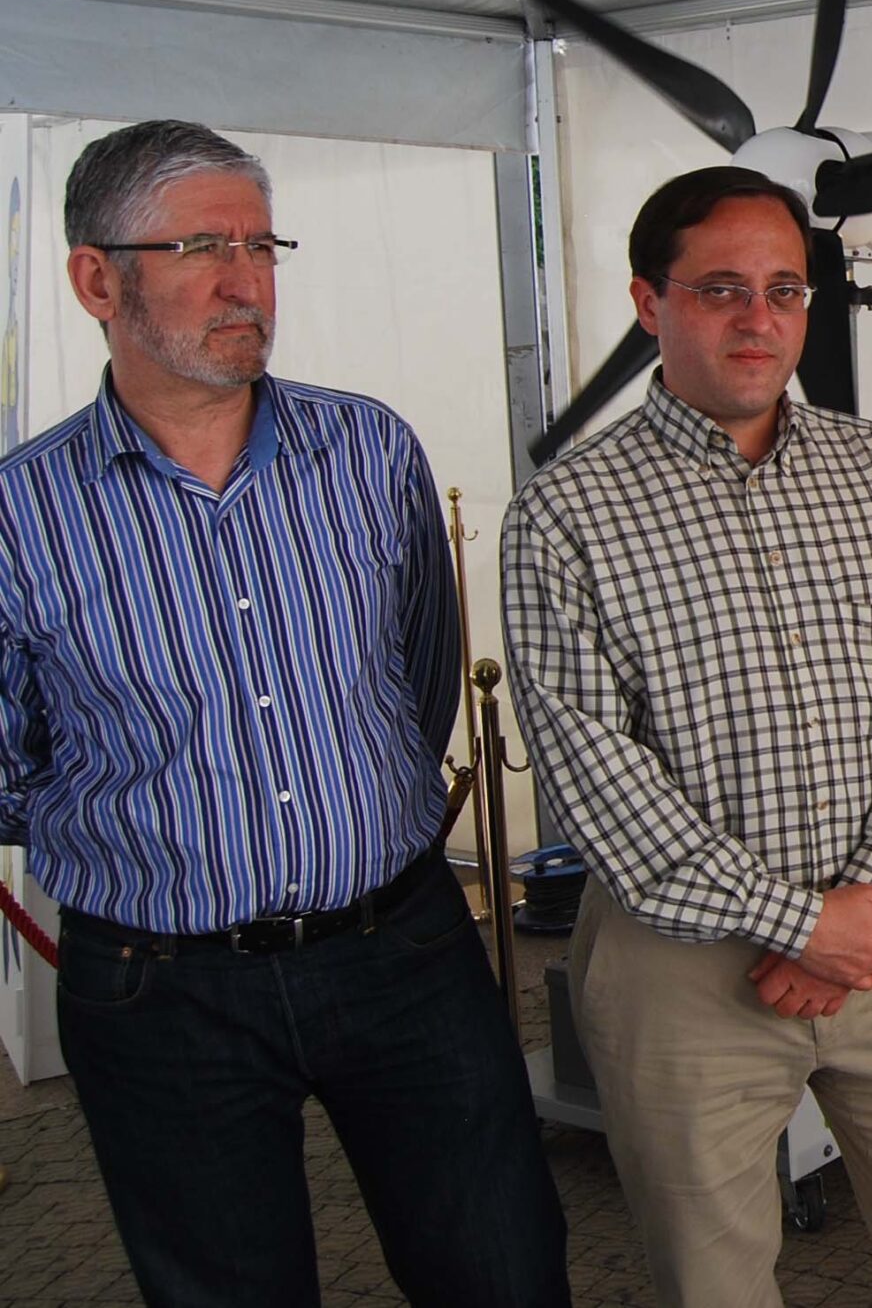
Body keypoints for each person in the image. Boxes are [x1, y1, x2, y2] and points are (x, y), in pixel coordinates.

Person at [0, 120, 568, 1307]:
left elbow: (418, 676)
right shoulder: (24, 511)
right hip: (161, 986)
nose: (245, 279)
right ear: (97, 279)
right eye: (202, 246)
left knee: (502, 1269)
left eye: (262, 245)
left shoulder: (367, 450)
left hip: (403, 948)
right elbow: (14, 766)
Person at [501, 165, 872, 1308]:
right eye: (720, 288)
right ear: (649, 301)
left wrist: (865, 903)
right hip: (684, 971)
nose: (758, 318)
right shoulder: (567, 512)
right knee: (716, 1281)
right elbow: (597, 774)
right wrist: (801, 922)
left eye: (784, 289)